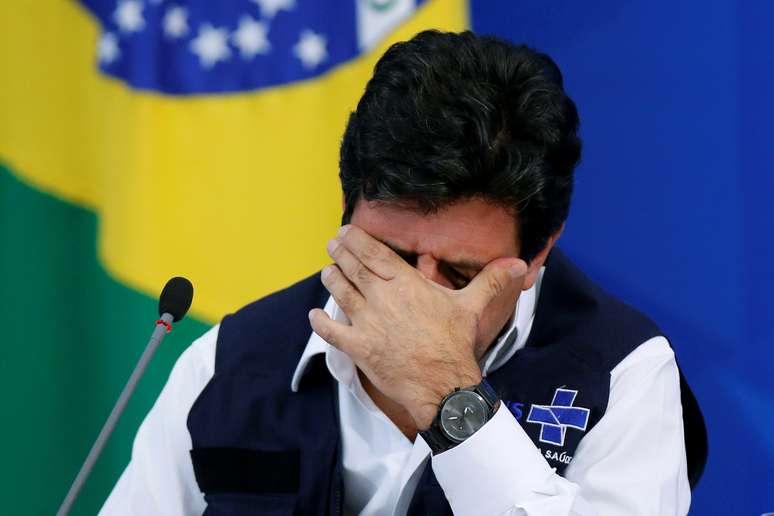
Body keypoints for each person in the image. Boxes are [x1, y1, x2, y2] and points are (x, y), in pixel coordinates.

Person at [101, 30, 703, 515]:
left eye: (461, 273)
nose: (415, 298)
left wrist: (449, 397)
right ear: (345, 213)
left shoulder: (624, 374)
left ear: (541, 249)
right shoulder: (226, 362)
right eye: (389, 255)